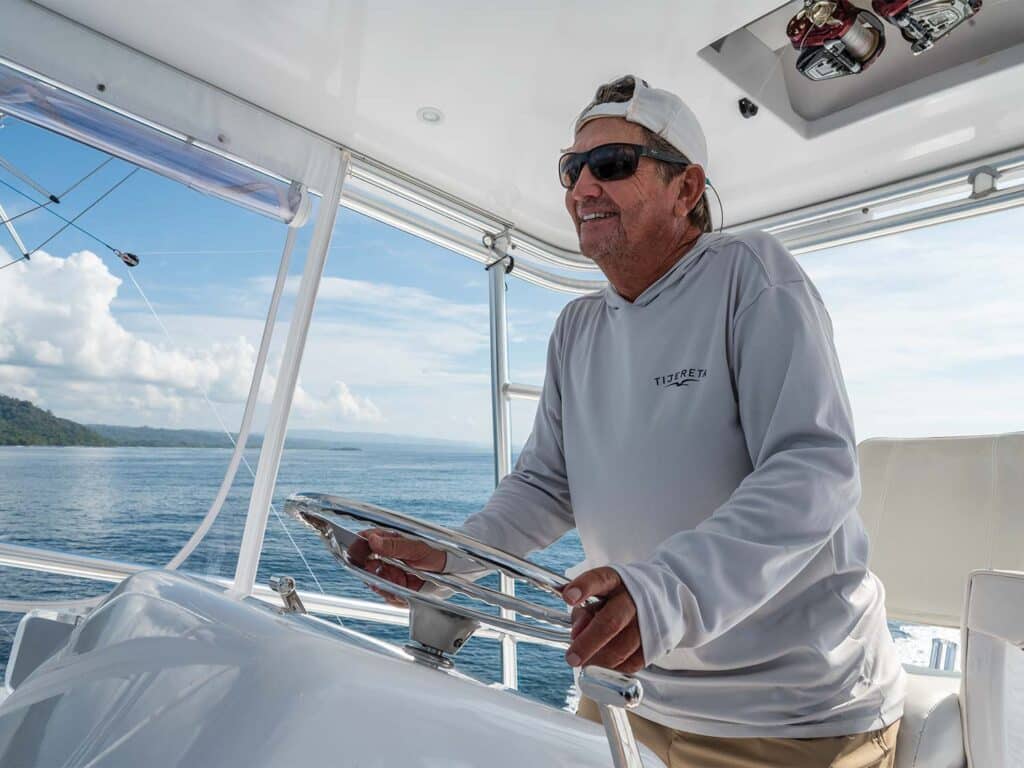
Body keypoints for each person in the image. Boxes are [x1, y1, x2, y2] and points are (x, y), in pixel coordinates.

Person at [353, 75, 905, 767]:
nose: (583, 187)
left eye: (611, 164)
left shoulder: (752, 276)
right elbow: (545, 486)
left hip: (791, 712)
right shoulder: (577, 327)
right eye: (571, 168)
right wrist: (449, 556)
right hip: (627, 690)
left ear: (687, 187)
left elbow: (815, 470)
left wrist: (663, 594)